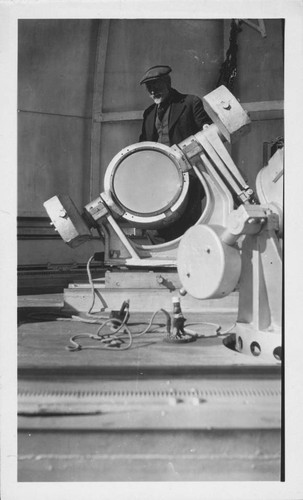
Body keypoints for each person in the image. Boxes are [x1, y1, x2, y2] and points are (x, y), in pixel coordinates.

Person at [139, 65, 211, 240]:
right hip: (159, 179)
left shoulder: (190, 102)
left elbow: (207, 133)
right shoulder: (148, 113)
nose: (153, 91)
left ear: (168, 83)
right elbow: (142, 145)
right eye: (149, 88)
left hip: (188, 177)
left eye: (157, 86)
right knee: (159, 225)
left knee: (187, 224)